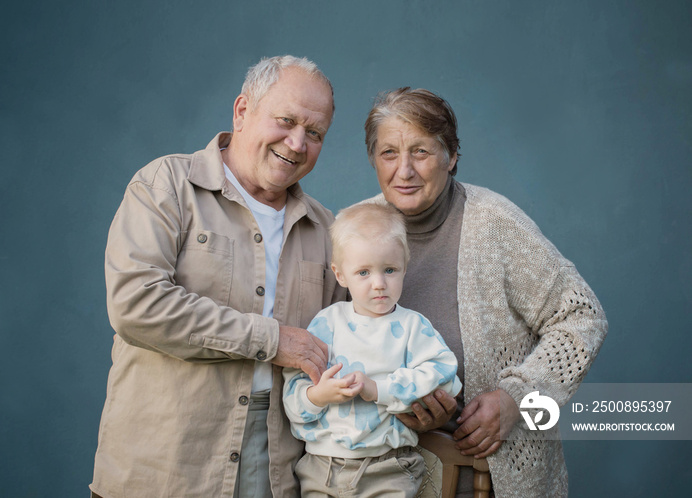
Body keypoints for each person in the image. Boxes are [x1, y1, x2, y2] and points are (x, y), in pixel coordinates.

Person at [90, 55, 347, 498]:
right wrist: (273, 340)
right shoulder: (166, 186)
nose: (297, 142)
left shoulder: (328, 230)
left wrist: (416, 388)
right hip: (164, 466)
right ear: (242, 111)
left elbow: (353, 335)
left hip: (277, 471)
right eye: (285, 120)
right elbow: (136, 304)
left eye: (315, 133)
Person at [361, 88, 608, 497]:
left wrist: (517, 398)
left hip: (495, 479)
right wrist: (397, 408)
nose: (403, 171)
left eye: (420, 152)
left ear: (451, 156)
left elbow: (582, 315)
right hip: (386, 478)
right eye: (389, 153)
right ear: (374, 159)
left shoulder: (494, 224)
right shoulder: (357, 230)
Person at [282, 203, 462, 497]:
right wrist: (318, 395)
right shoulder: (326, 324)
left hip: (388, 468)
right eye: (363, 272)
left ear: (404, 266)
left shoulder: (413, 327)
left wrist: (378, 389)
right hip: (322, 468)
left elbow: (444, 375)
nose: (379, 284)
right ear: (341, 275)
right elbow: (293, 400)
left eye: (390, 270)